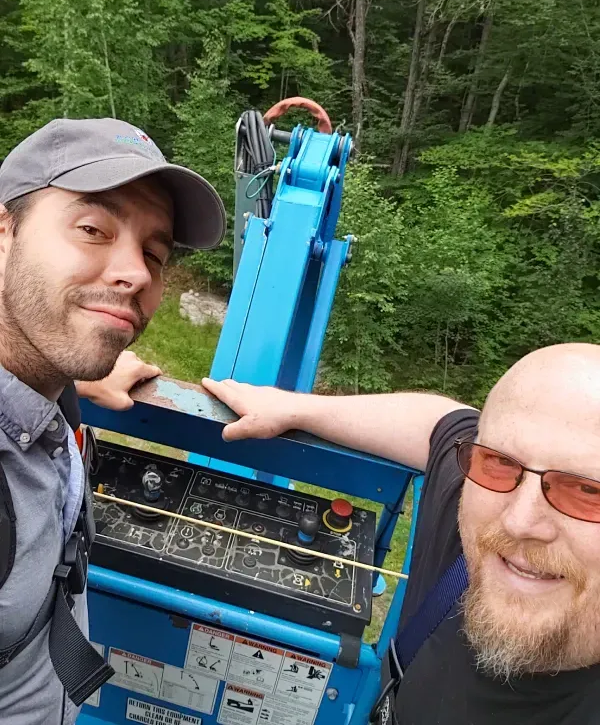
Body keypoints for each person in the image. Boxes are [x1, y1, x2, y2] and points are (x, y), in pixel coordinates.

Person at [203, 343, 600, 724]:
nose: (518, 522)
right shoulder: (468, 525)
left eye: (587, 491)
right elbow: (439, 424)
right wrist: (296, 408)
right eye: (499, 461)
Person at [0, 116, 225, 725]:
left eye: (154, 252)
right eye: (93, 229)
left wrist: (78, 370)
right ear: (4, 234)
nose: (138, 274)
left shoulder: (43, 379)